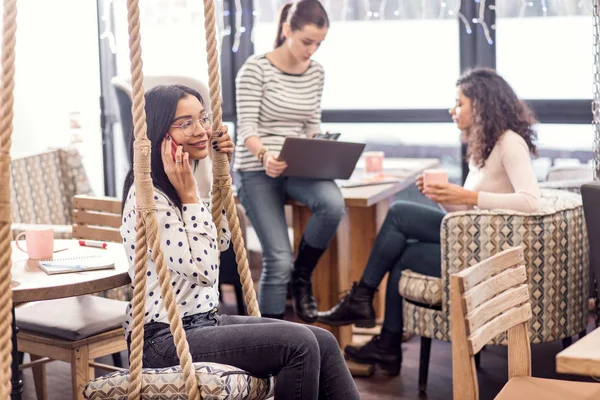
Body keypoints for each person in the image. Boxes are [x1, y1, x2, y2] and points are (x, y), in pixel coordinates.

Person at [120, 85, 359, 400]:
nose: (201, 130)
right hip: (165, 339)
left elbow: (218, 243)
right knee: (298, 345)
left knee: (323, 341)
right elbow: (205, 270)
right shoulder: (148, 199)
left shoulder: (178, 188)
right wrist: (192, 196)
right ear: (159, 133)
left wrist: (222, 173)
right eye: (186, 123)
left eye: (202, 119)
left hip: (206, 321)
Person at [317, 68, 542, 375]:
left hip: (488, 256)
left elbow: (531, 202)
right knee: (402, 253)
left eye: (459, 103)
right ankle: (387, 346)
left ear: (482, 105)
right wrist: (443, 195)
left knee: (399, 214)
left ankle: (363, 300)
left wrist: (466, 196)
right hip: (470, 242)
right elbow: (463, 218)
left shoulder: (509, 143)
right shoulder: (483, 146)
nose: (453, 110)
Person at [234, 0, 345, 322]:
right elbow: (247, 130)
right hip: (256, 168)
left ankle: (302, 277)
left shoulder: (316, 72)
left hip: (297, 166)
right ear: (287, 30)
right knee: (278, 259)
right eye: (306, 41)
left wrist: (318, 144)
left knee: (333, 204)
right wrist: (265, 155)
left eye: (319, 44)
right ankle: (269, 339)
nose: (312, 50)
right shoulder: (255, 69)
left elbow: (311, 123)